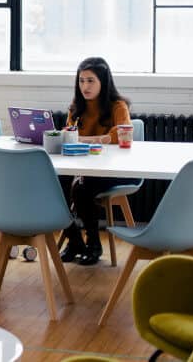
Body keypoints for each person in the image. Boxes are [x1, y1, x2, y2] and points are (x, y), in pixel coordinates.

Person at [59, 57, 138, 266]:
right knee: (54, 185)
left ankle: (93, 243)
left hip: (113, 169)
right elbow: (69, 134)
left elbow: (121, 134)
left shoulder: (117, 106)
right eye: (82, 80)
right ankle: (74, 239)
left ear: (103, 81)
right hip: (82, 166)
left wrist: (86, 139)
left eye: (91, 81)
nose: (85, 86)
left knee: (81, 188)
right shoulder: (76, 108)